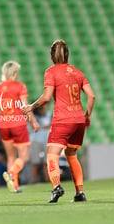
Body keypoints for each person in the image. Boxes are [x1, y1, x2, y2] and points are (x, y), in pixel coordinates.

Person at [22, 39, 95, 203]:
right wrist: (87, 115)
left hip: (63, 120)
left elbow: (47, 97)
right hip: (78, 121)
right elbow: (91, 95)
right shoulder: (78, 72)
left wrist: (31, 107)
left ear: (51, 56)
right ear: (67, 54)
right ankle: (80, 193)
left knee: (52, 157)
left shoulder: (51, 72)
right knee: (72, 155)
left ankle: (57, 188)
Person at [0, 61, 39, 193]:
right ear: (15, 73)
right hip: (18, 125)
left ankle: (14, 186)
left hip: (4, 125)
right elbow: (25, 107)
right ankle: (12, 172)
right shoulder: (20, 86)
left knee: (11, 156)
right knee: (24, 157)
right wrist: (33, 121)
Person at [29, 103, 52, 183]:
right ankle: (34, 180)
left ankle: (47, 179)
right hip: (36, 141)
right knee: (35, 162)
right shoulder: (34, 117)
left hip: (46, 140)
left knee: (47, 162)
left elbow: (51, 125)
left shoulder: (49, 115)